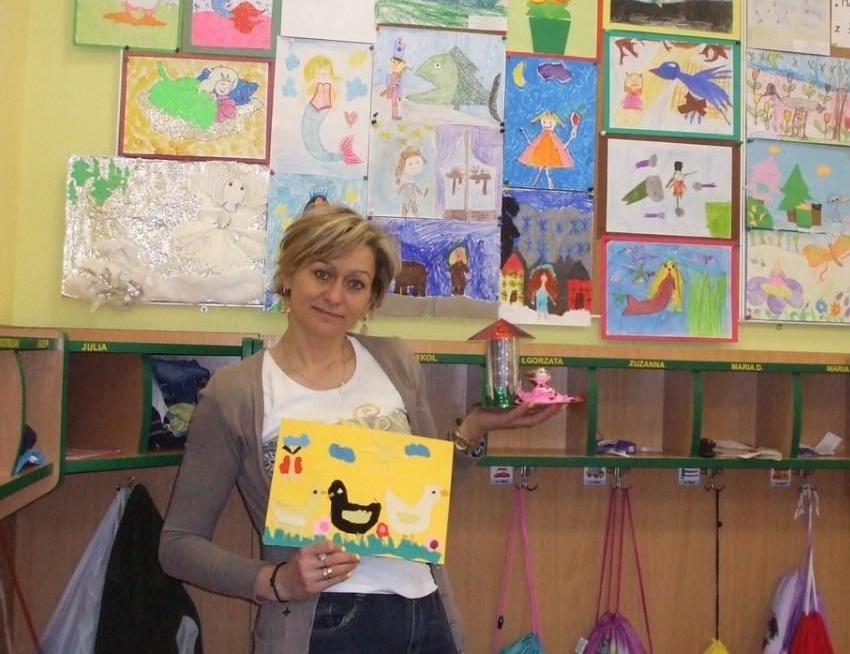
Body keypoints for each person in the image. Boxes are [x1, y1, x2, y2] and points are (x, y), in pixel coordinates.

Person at [159, 204, 563, 653]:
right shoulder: (237, 392)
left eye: (355, 284)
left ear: (370, 300)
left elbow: (427, 498)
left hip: (426, 612)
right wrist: (275, 581)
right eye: (322, 273)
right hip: (321, 624)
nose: (335, 296)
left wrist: (475, 427)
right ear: (289, 275)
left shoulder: (395, 362)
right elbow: (178, 545)